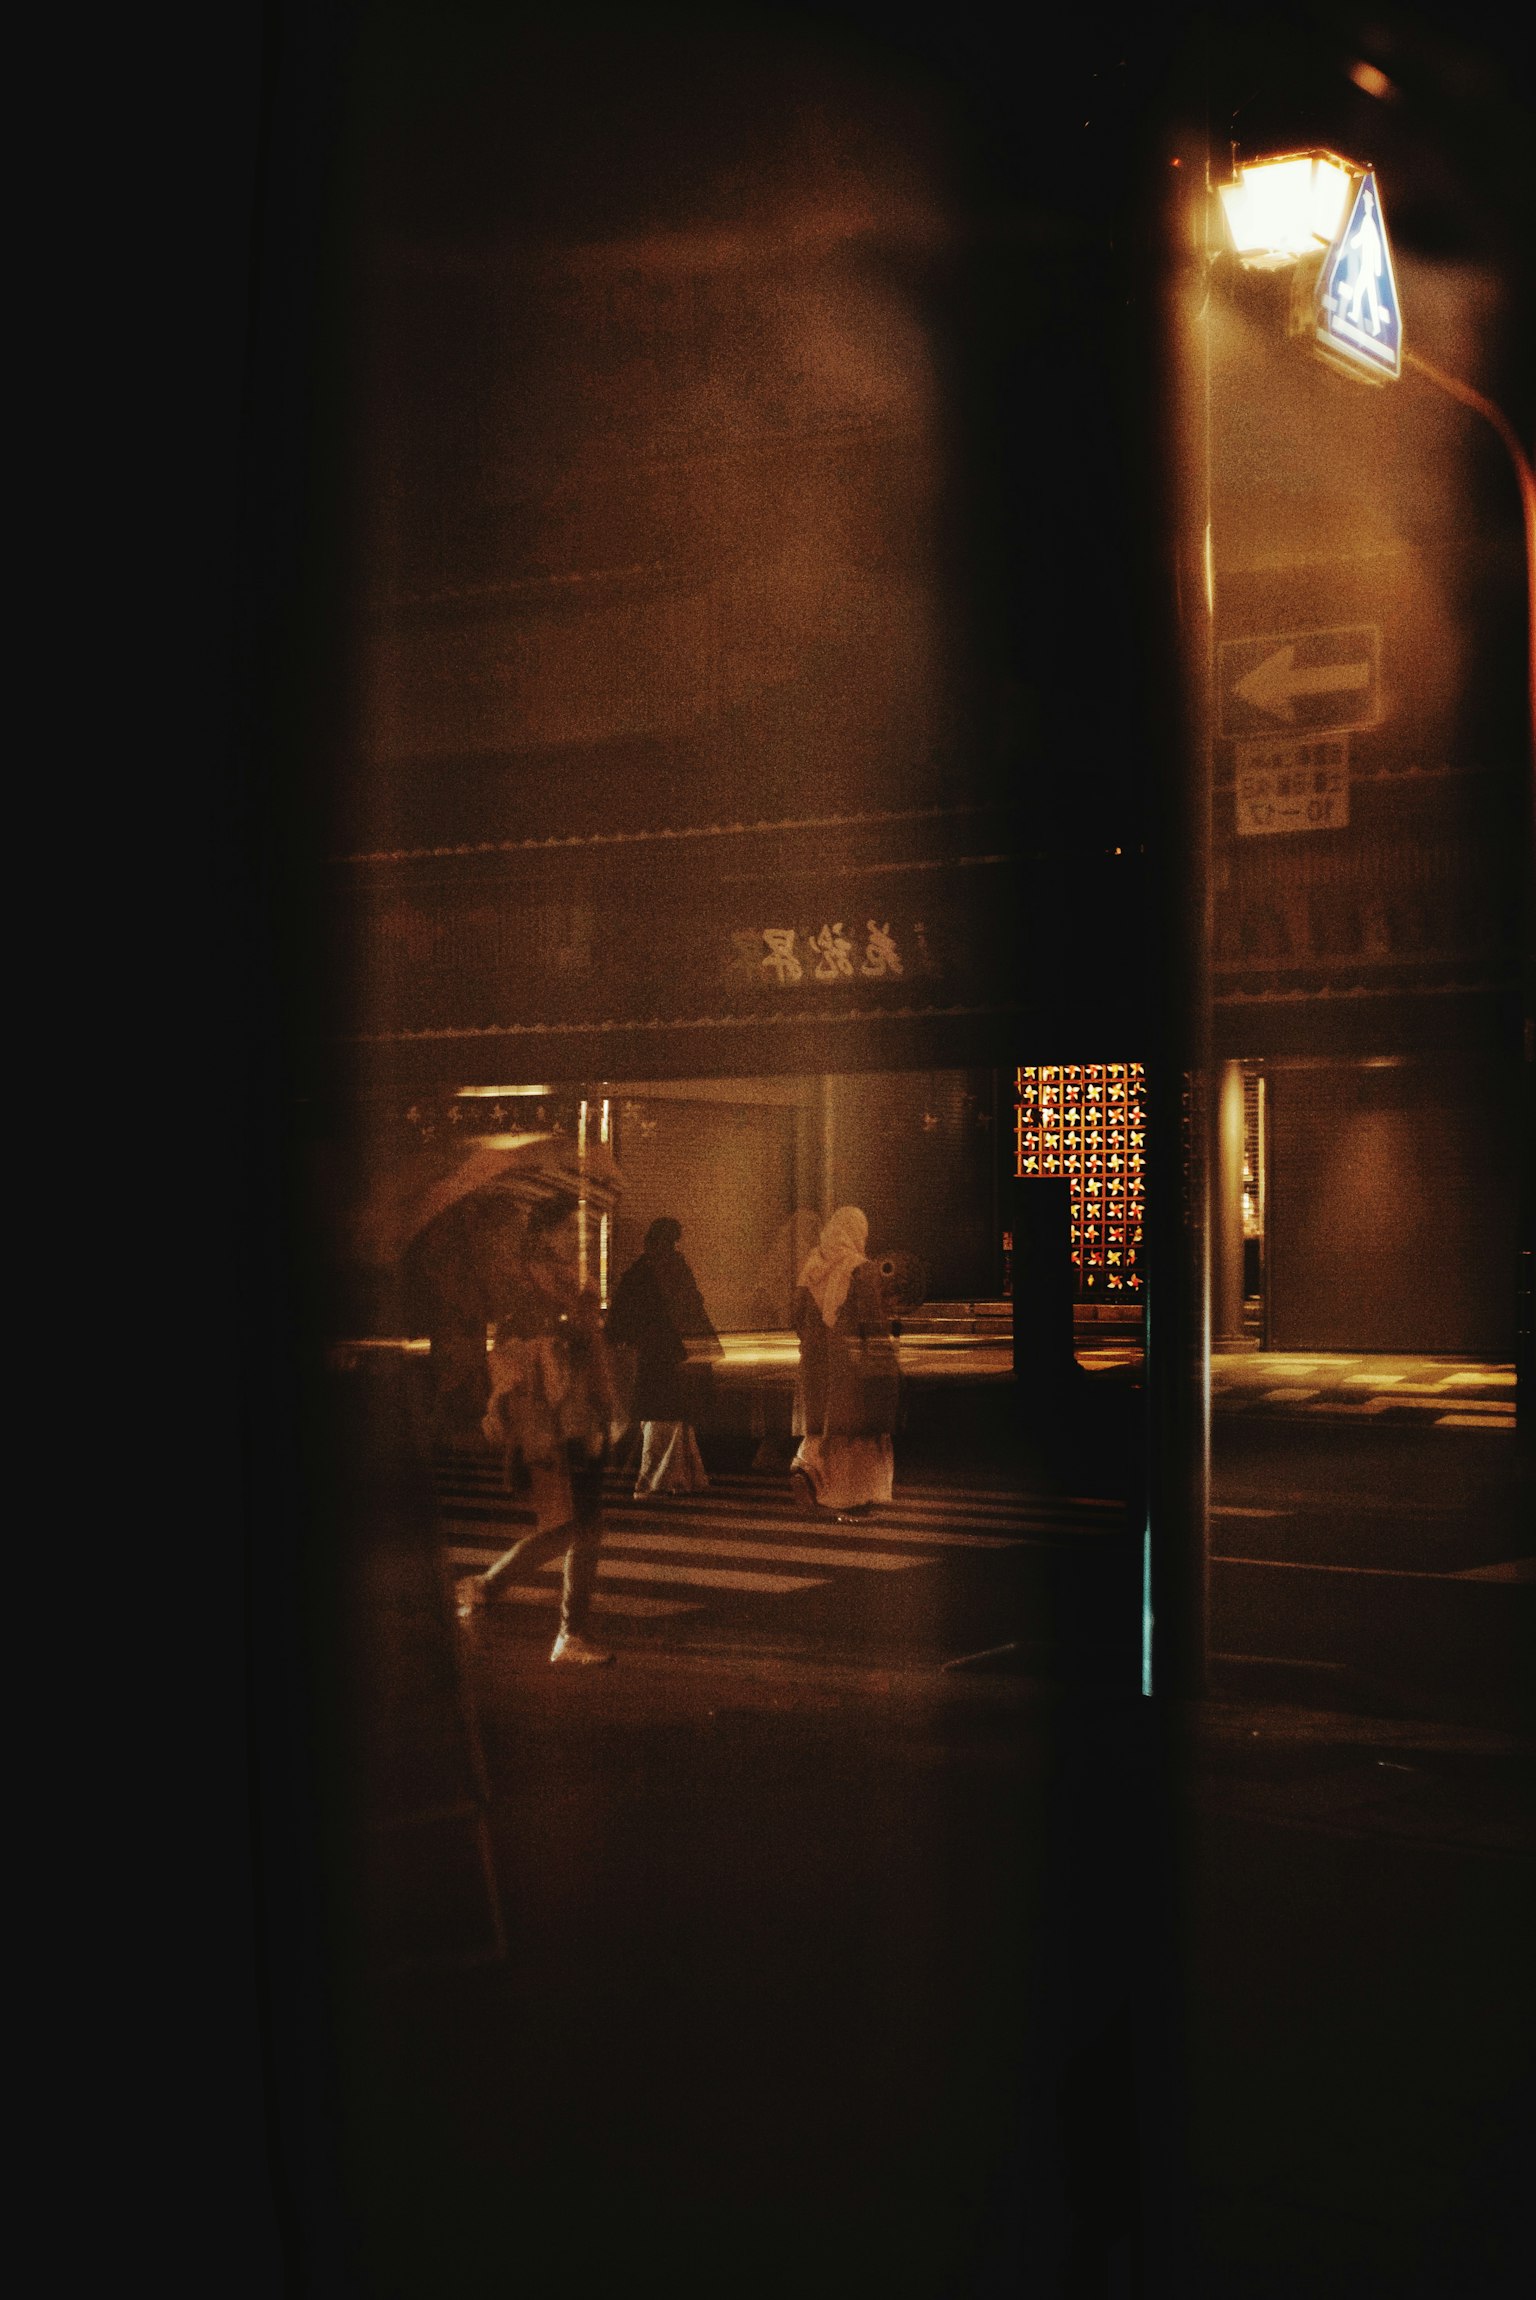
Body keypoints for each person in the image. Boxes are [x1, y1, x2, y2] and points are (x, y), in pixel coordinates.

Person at [456, 1192, 617, 1666]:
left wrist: (608, 1403)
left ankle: (492, 1592)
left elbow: (595, 1353)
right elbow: (507, 1348)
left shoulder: (579, 1287)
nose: (578, 1238)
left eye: (581, 1231)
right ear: (545, 1234)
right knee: (577, 1526)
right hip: (545, 1420)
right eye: (569, 1229)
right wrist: (558, 1338)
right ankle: (567, 1631)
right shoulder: (527, 1286)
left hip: (579, 1415)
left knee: (579, 1525)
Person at [789, 1205, 899, 1518]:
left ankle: (809, 1472)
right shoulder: (859, 1269)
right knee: (857, 1430)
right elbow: (871, 1319)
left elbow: (795, 1315)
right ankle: (852, 1496)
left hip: (815, 1360)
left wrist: (812, 1343)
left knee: (822, 1426)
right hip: (850, 1365)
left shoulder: (812, 1266)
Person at [606, 1216, 718, 1497]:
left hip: (653, 1356)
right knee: (673, 1417)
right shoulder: (675, 1268)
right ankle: (678, 1477)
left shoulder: (641, 1271)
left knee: (658, 1417)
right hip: (676, 1355)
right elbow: (694, 1308)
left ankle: (661, 1478)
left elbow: (623, 1316)